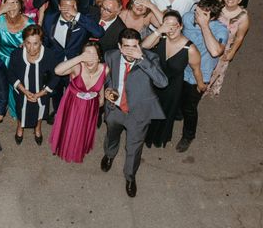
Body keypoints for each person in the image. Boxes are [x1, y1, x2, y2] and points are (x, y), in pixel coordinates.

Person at [100, 28, 168, 198]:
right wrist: (107, 90)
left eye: (134, 46)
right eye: (126, 47)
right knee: (111, 135)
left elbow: (162, 83)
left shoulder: (150, 58)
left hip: (138, 114)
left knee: (134, 147)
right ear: (119, 46)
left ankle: (130, 176)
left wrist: (142, 59)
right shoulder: (110, 55)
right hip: (115, 109)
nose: (130, 51)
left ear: (140, 46)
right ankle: (109, 155)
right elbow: (106, 78)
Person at [141, 10, 202, 148]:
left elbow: (196, 70)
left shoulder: (190, 49)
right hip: (153, 82)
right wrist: (159, 31)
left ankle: (158, 138)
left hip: (172, 87)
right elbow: (143, 46)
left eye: (174, 25)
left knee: (164, 112)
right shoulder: (160, 38)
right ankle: (145, 135)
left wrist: (200, 85)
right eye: (167, 25)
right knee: (149, 109)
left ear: (181, 26)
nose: (170, 28)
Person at [177, 0, 229, 153]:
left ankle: (188, 136)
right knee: (177, 97)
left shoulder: (220, 30)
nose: (196, 14)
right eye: (197, 10)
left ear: (212, 17)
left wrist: (204, 26)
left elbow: (215, 51)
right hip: (181, 68)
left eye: (202, 13)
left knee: (190, 108)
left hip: (199, 75)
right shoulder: (187, 17)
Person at [42, 0, 104, 119]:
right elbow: (46, 40)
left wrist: (77, 15)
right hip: (56, 63)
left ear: (76, 7)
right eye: (65, 7)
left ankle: (73, 114)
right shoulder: (49, 18)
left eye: (72, 6)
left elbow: (99, 32)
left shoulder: (83, 19)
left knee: (75, 92)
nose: (68, 10)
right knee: (56, 91)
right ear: (59, 7)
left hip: (76, 65)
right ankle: (59, 111)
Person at [51, 41, 108, 162]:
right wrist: (79, 58)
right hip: (73, 103)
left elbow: (101, 82)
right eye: (86, 55)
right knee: (70, 127)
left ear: (99, 57)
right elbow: (57, 71)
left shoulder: (105, 69)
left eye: (93, 55)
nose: (89, 59)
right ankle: (66, 147)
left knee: (83, 128)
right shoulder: (77, 67)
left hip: (91, 105)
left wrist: (101, 97)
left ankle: (80, 147)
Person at [8, 25, 54, 145]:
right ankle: (20, 127)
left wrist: (41, 93)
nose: (31, 48)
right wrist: (24, 90)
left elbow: (55, 77)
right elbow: (10, 74)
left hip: (42, 91)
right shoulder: (16, 54)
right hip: (22, 91)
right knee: (20, 109)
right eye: (28, 43)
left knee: (40, 109)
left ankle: (37, 128)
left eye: (35, 43)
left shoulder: (49, 55)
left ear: (41, 42)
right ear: (23, 42)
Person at [205, 0, 249, 96]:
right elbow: (208, 0)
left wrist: (232, 52)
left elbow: (239, 37)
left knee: (217, 70)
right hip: (208, 41)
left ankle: (207, 89)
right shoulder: (217, 7)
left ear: (240, 0)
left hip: (225, 47)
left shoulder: (243, 16)